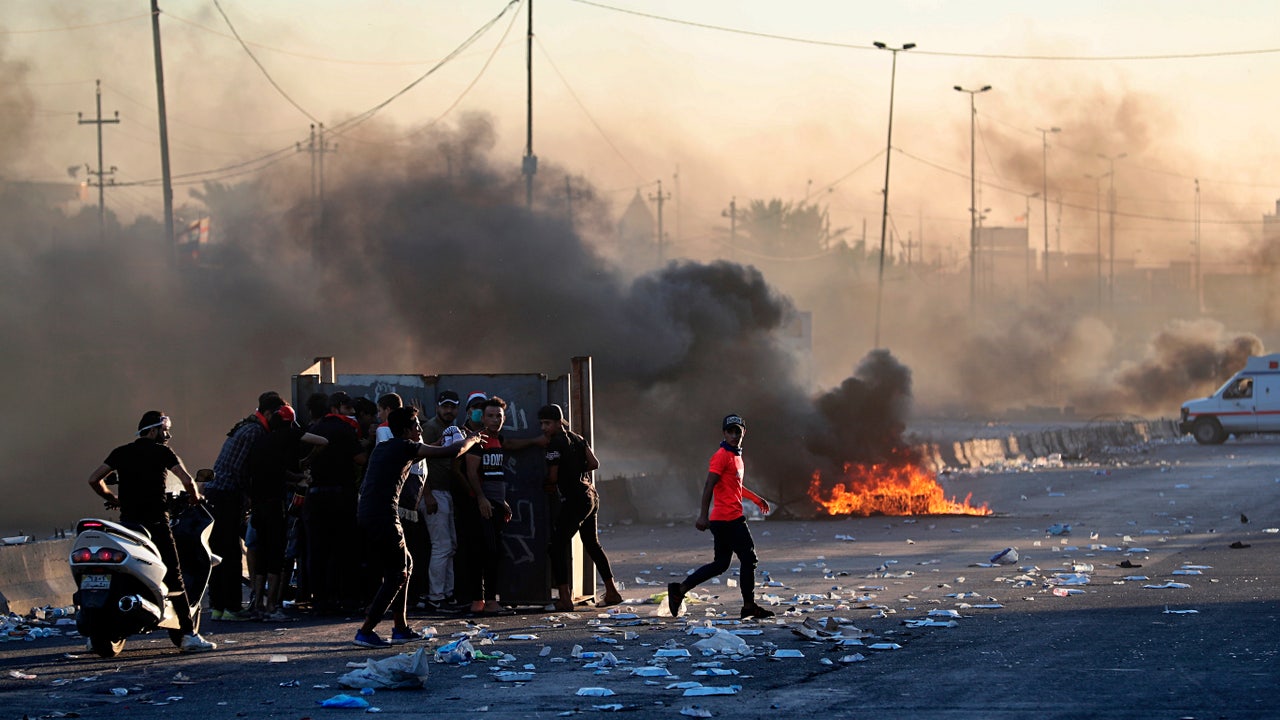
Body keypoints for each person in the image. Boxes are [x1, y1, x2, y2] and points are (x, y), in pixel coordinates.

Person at [87, 411, 217, 652]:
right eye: (165, 430)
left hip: (128, 527)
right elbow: (187, 480)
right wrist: (195, 498)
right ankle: (188, 635)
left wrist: (114, 499)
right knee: (175, 576)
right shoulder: (163, 453)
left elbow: (94, 479)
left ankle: (99, 629)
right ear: (154, 430)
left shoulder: (120, 452)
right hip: (156, 524)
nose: (168, 435)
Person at [353, 407, 482, 648]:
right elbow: (452, 452)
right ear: (406, 430)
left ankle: (401, 628)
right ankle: (366, 631)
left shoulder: (387, 447)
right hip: (383, 515)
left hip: (370, 514)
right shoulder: (404, 447)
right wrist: (472, 440)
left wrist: (439, 442)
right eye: (416, 426)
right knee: (398, 573)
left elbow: (426, 450)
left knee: (406, 564)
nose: (420, 429)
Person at [667, 414, 774, 620]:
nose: (734, 435)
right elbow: (709, 485)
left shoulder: (736, 456)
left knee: (721, 564)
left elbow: (736, 486)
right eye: (730, 432)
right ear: (724, 433)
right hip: (728, 519)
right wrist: (702, 515)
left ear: (744, 433)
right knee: (749, 559)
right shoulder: (722, 455)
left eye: (737, 432)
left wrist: (756, 499)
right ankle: (748, 606)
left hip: (725, 519)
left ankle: (679, 590)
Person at [207, 392, 285, 621]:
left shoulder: (245, 426)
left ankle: (218, 607)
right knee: (231, 552)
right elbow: (240, 469)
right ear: (268, 413)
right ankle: (232, 607)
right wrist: (250, 496)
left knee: (219, 551)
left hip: (217, 494)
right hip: (227, 495)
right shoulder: (255, 432)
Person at [247, 405, 327, 621]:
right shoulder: (290, 434)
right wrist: (307, 461)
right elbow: (322, 441)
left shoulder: (261, 441)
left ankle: (258, 605)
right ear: (290, 422)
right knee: (277, 555)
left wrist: (295, 475)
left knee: (261, 554)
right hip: (275, 505)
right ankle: (272, 606)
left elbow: (274, 472)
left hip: (258, 505)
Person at [539, 404, 622, 611]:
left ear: (558, 422)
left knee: (556, 546)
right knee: (592, 544)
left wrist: (548, 482)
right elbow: (594, 463)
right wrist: (576, 468)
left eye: (547, 423)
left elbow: (553, 477)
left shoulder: (555, 444)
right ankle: (612, 591)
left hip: (575, 500)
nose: (543, 428)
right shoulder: (577, 438)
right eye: (542, 424)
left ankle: (564, 599)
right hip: (590, 496)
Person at [305, 391, 368, 613]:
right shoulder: (345, 429)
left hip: (316, 496)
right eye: (348, 408)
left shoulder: (315, 429)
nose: (352, 412)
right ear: (335, 408)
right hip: (341, 496)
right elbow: (360, 459)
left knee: (318, 550)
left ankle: (321, 600)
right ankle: (347, 598)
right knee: (345, 549)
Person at [419, 390, 466, 613]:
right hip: (434, 492)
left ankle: (447, 594)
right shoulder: (430, 428)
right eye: (445, 406)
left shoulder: (452, 429)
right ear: (438, 407)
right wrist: (427, 495)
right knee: (441, 546)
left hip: (445, 492)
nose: (449, 411)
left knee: (450, 546)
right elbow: (418, 461)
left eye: (452, 407)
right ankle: (436, 597)